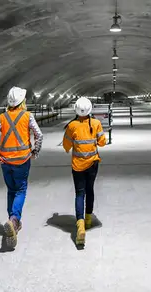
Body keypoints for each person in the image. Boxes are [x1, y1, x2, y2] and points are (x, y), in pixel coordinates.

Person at [0, 86, 43, 249]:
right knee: (20, 190)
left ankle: (13, 221)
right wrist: (35, 151)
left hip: (5, 161)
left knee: (11, 190)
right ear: (22, 102)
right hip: (22, 160)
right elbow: (39, 135)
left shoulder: (1, 117)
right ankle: (14, 220)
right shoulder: (27, 116)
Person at [62, 97, 107, 248]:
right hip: (93, 163)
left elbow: (66, 146)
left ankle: (80, 225)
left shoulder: (72, 126)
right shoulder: (96, 123)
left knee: (79, 193)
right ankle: (88, 219)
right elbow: (102, 142)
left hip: (77, 166)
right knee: (90, 190)